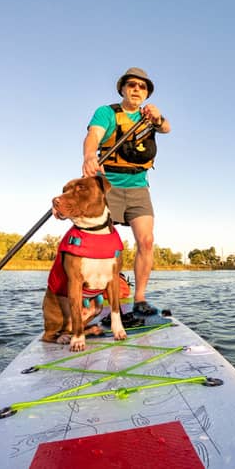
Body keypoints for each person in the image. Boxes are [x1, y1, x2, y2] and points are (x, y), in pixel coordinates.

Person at [81, 67, 171, 316]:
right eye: (131, 85)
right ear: (122, 88)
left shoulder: (148, 116)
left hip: (138, 187)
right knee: (101, 244)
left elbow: (167, 129)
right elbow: (93, 136)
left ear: (147, 94)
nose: (136, 89)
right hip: (107, 185)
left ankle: (139, 298)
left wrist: (159, 118)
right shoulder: (107, 112)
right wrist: (89, 156)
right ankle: (92, 294)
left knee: (147, 240)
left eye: (142, 87)